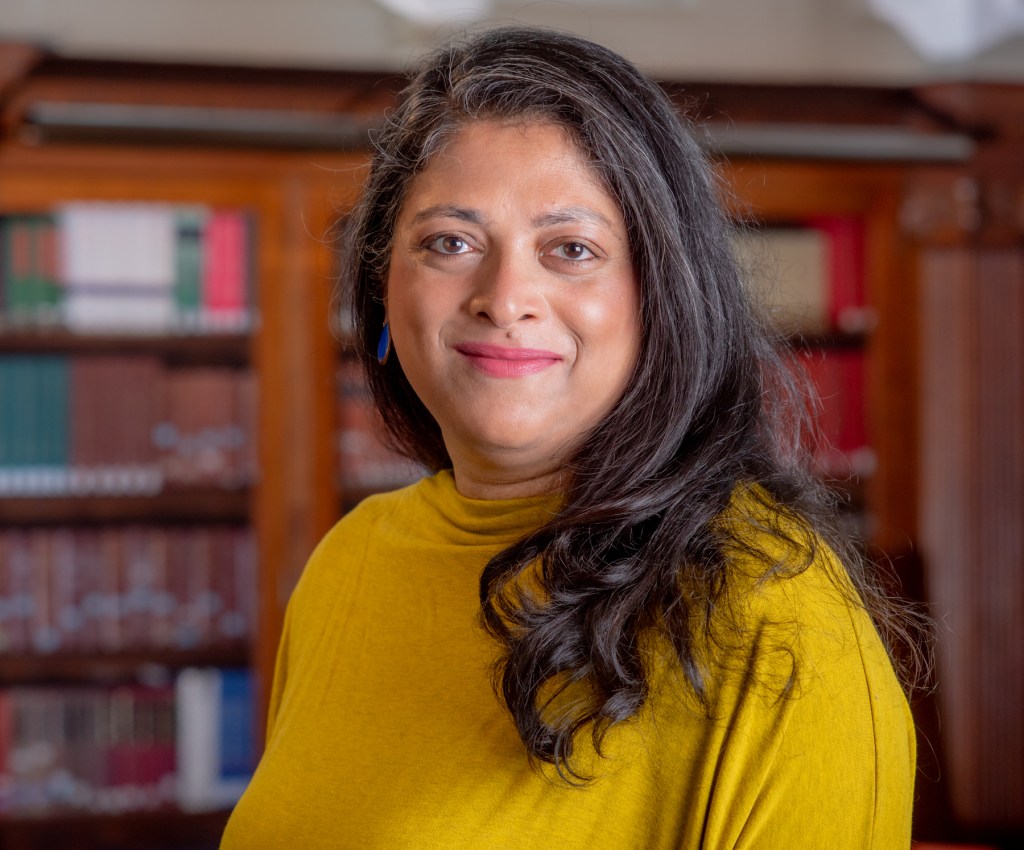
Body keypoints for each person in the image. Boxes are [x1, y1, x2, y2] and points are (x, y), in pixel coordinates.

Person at [222, 25, 918, 849]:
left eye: (572, 249)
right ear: (383, 284)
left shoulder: (777, 624)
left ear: (664, 295)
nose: (505, 296)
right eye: (451, 242)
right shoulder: (347, 562)